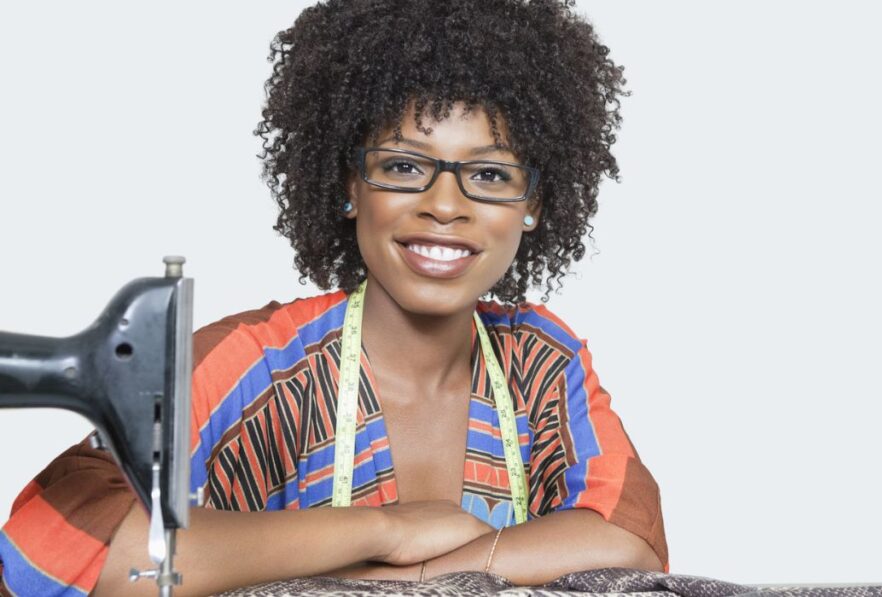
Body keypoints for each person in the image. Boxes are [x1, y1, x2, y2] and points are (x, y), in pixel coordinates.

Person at [0, 0, 668, 595]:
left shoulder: (544, 364)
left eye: (489, 174)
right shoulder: (251, 365)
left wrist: (411, 580)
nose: (444, 205)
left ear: (533, 205)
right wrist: (385, 529)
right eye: (404, 166)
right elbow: (60, 556)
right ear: (350, 186)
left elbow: (626, 540)